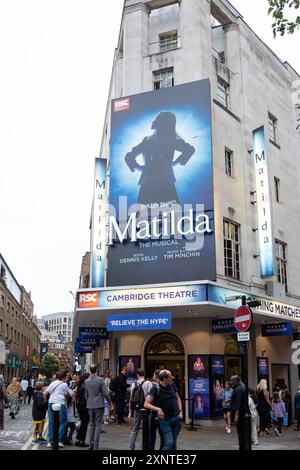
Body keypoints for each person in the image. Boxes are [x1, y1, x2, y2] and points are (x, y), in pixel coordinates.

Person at [124, 111, 195, 207]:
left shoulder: (172, 140)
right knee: (143, 214)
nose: (162, 127)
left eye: (166, 124)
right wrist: (138, 167)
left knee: (172, 214)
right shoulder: (147, 140)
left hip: (165, 181)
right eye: (162, 123)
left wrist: (176, 162)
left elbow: (190, 149)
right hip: (148, 182)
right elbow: (129, 156)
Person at [144, 369, 183, 451]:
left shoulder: (172, 385)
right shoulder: (155, 388)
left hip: (176, 418)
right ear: (165, 379)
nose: (172, 378)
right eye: (170, 377)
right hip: (165, 420)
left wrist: (180, 411)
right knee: (169, 443)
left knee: (173, 443)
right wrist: (158, 409)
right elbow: (146, 404)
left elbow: (178, 398)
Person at [85, 364, 113, 451]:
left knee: (92, 425)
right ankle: (96, 446)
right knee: (98, 425)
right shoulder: (100, 380)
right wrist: (110, 403)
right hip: (99, 404)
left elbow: (86, 394)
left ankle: (91, 444)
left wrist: (88, 402)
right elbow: (105, 393)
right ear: (96, 370)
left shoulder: (87, 381)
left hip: (90, 404)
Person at [44, 370, 72, 448]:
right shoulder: (64, 385)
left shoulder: (52, 383)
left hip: (51, 403)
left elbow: (45, 393)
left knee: (51, 422)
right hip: (60, 403)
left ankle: (50, 441)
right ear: (63, 377)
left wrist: (46, 401)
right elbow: (67, 395)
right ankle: (58, 440)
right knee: (63, 422)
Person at [128, 368, 152, 450]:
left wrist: (130, 411)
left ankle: (131, 447)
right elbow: (151, 395)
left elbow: (131, 397)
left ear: (137, 375)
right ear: (144, 374)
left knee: (135, 429)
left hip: (137, 408)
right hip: (146, 409)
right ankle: (144, 447)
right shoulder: (148, 383)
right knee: (146, 429)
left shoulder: (134, 384)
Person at [148, 370, 164, 451]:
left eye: (154, 375)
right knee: (162, 434)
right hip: (162, 413)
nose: (153, 376)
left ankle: (151, 448)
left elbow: (147, 402)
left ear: (156, 376)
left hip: (155, 413)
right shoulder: (165, 386)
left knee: (152, 433)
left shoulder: (154, 387)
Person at [230, 375, 246, 451]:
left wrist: (236, 415)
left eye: (232, 380)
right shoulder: (240, 386)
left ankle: (242, 447)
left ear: (236, 380)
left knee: (240, 431)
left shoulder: (239, 388)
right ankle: (242, 446)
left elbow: (239, 402)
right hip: (241, 412)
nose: (230, 382)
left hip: (240, 414)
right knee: (241, 432)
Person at [75, 373, 90, 448]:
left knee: (82, 423)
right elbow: (85, 398)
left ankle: (78, 439)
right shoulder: (85, 386)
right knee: (85, 424)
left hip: (79, 406)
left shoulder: (80, 385)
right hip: (84, 407)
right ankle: (82, 441)